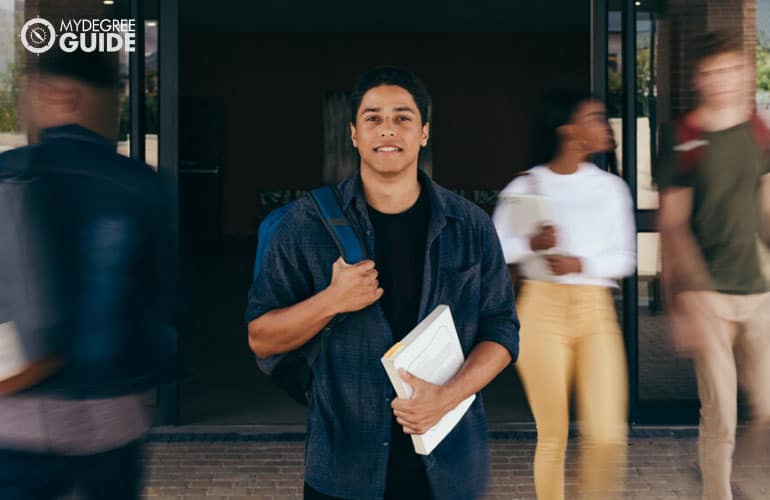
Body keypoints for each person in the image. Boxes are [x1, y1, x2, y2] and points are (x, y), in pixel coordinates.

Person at [246, 66, 519, 500]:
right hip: (344, 467)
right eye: (373, 118)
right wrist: (331, 300)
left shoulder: (470, 226)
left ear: (424, 133)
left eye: (402, 118)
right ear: (354, 134)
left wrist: (446, 396)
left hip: (448, 466)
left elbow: (502, 330)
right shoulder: (303, 227)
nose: (387, 129)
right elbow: (261, 338)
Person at [0, 46, 177, 499]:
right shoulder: (141, 184)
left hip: (17, 415)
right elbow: (166, 302)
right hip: (113, 414)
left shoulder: (8, 174)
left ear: (60, 96)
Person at [493, 88, 635, 500]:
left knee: (608, 434)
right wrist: (531, 245)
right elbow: (496, 248)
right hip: (540, 310)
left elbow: (625, 257)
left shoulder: (612, 189)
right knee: (553, 434)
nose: (604, 125)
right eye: (595, 117)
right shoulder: (527, 185)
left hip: (595, 313)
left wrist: (582, 265)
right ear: (569, 129)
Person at [658, 31, 770, 500]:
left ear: (746, 74)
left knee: (766, 408)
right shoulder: (685, 137)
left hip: (758, 288)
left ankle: (747, 480)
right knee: (720, 413)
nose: (722, 80)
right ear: (699, 79)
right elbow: (672, 224)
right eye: (711, 73)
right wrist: (680, 305)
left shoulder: (757, 129)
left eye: (730, 70)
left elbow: (766, 203)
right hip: (706, 294)